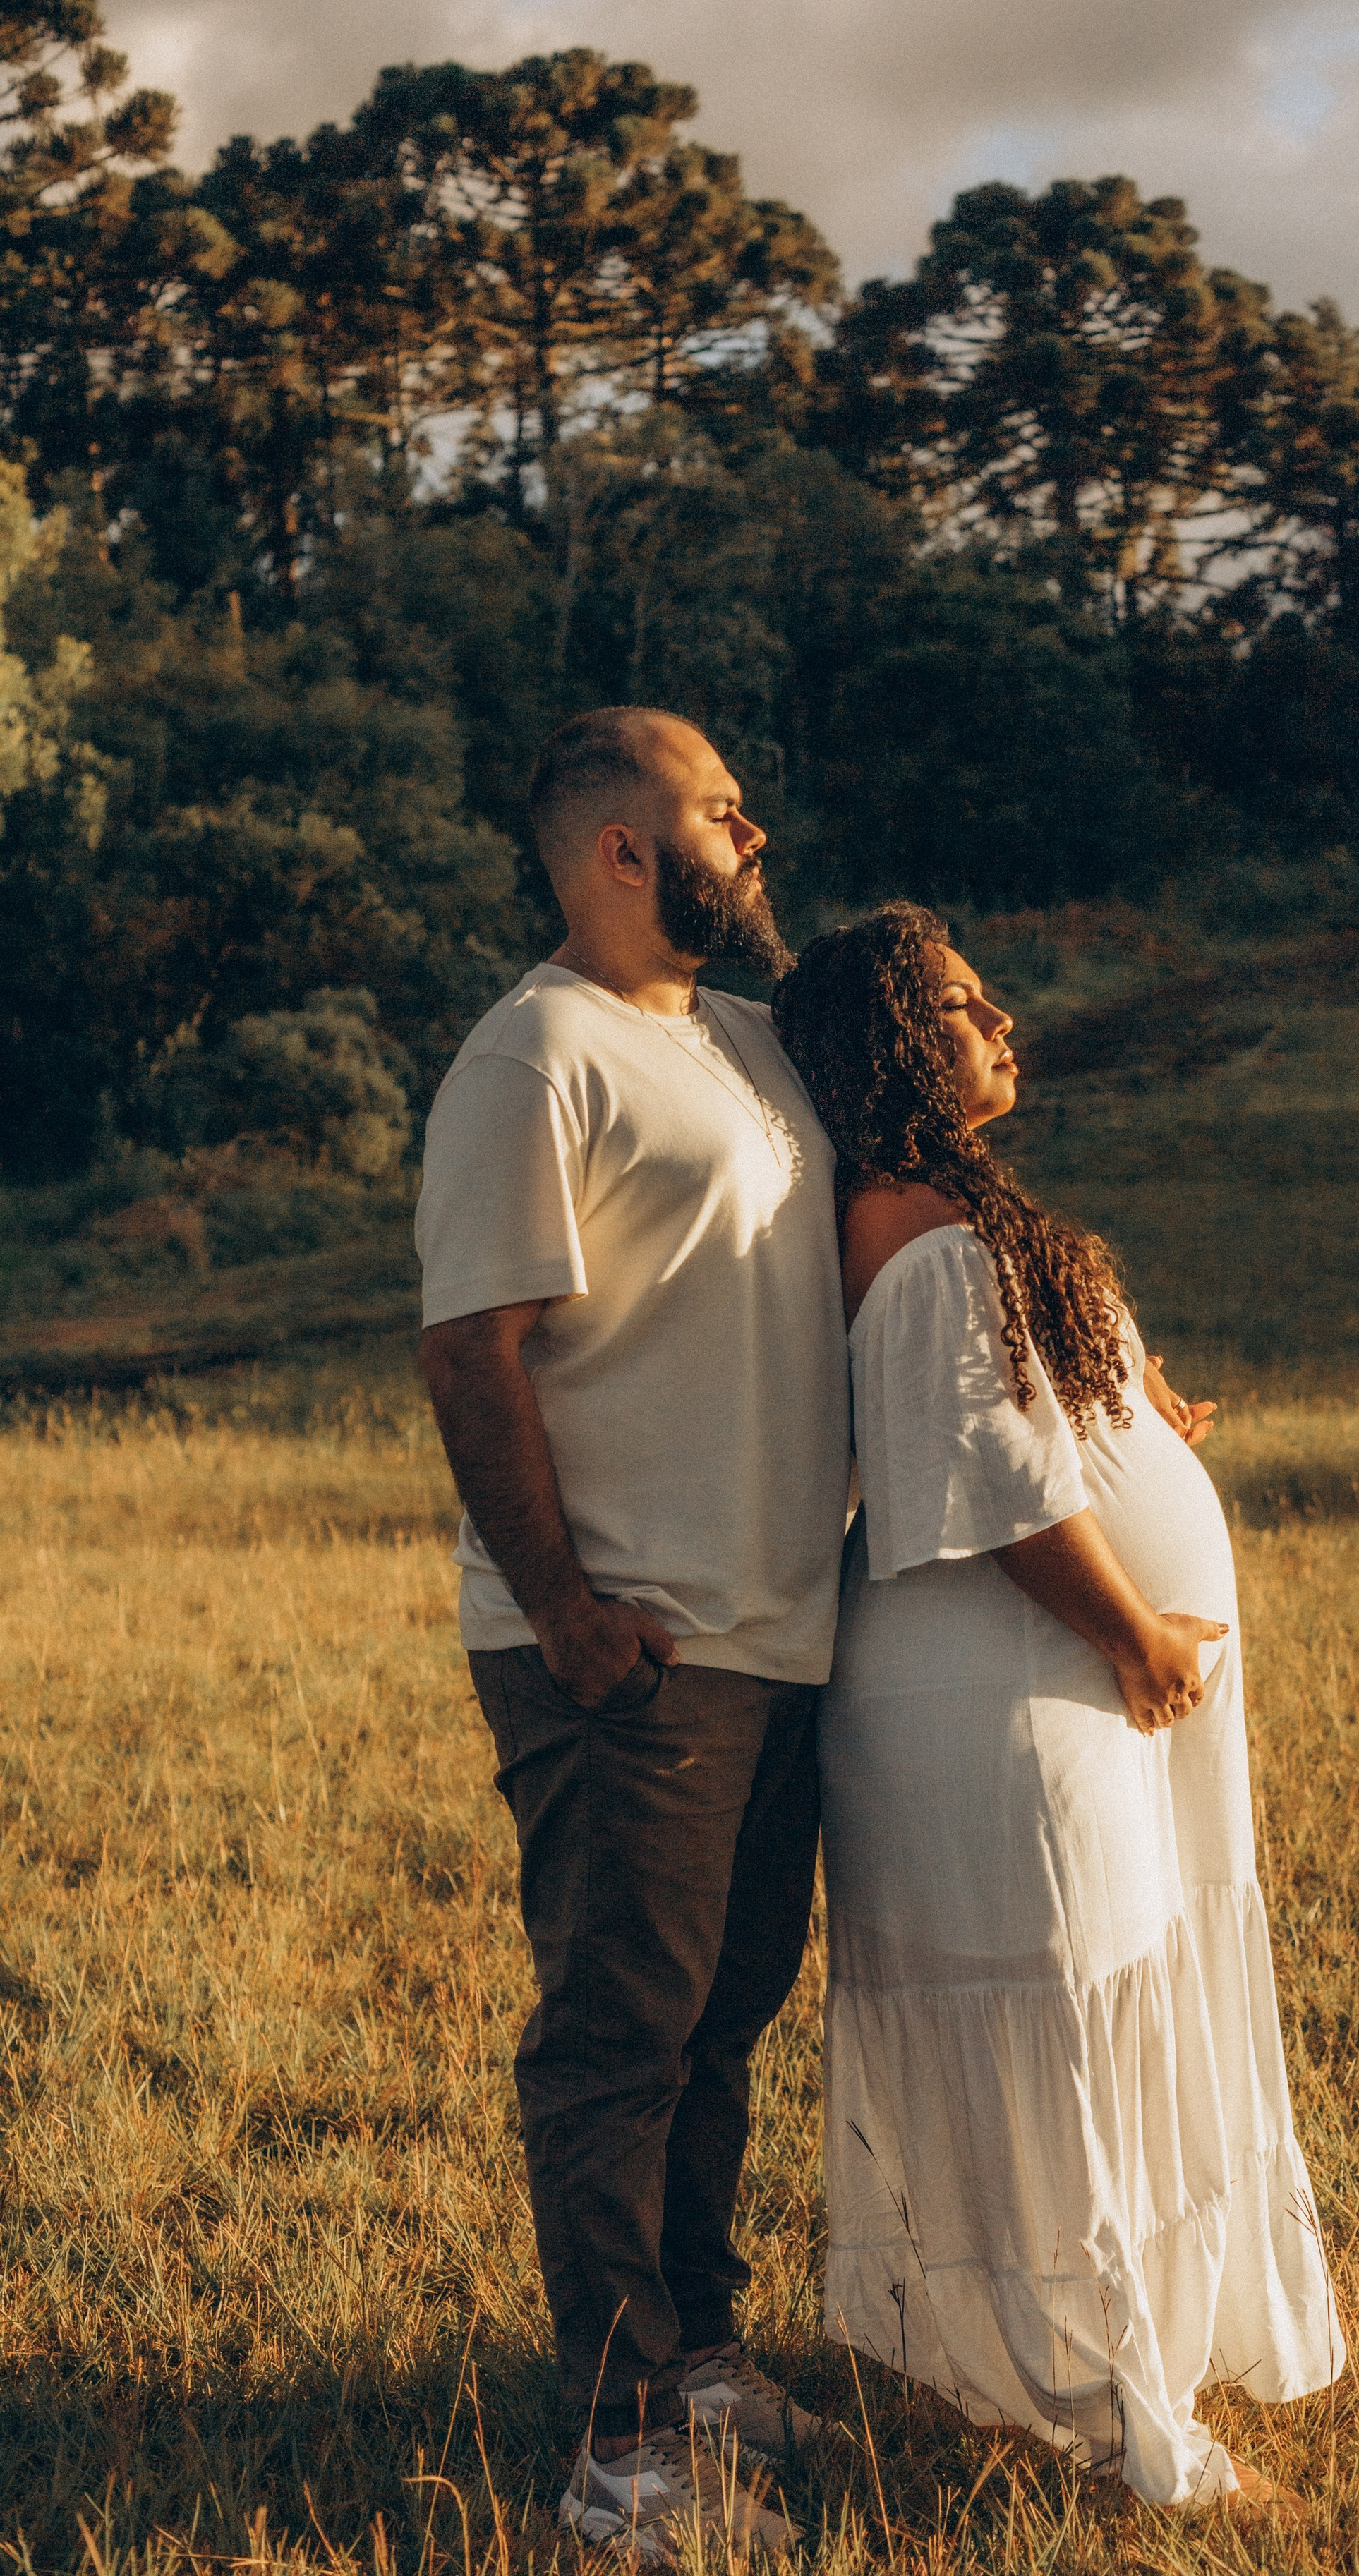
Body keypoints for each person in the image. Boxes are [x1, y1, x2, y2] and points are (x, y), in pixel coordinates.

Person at [771, 903, 1343, 2513]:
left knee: (1097, 2013)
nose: (1002, 1019)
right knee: (1064, 2035)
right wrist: (1136, 1636)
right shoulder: (914, 1225)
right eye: (961, 1003)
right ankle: (1112, 2415)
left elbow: (1022, 1411)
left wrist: (1122, 1387)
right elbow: (1001, 1492)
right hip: (1007, 1691)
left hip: (1038, 1685)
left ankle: (1097, 2371)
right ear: (893, 1039)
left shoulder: (946, 1212)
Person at [416, 708, 849, 2567]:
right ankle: (620, 2455)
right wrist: (568, 1612)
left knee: (724, 2019)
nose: (753, 836)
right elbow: (470, 1350)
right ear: (617, 848)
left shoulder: (752, 1047)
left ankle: (704, 2356)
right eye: (718, 814)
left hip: (779, 1632)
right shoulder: (537, 1055)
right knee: (620, 2033)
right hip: (632, 1649)